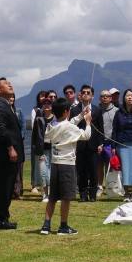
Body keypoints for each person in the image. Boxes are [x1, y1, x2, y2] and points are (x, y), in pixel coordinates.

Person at [39, 97, 91, 235]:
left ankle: (46, 226)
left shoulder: (52, 125)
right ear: (67, 111)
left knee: (52, 197)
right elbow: (86, 136)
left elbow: (68, 123)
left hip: (55, 164)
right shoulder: (69, 127)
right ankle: (63, 226)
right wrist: (88, 123)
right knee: (66, 198)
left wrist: (81, 114)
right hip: (67, 165)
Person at [0, 77, 23, 229]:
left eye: (10, 82)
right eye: (6, 84)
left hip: (10, 154)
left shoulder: (6, 105)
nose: (10, 84)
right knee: (4, 187)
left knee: (8, 187)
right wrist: (10, 148)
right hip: (4, 154)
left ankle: (3, 217)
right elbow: (0, 129)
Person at [95, 89, 118, 197]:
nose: (105, 98)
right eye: (102, 96)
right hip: (99, 142)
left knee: (110, 165)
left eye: (107, 96)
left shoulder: (116, 111)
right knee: (99, 165)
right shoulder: (96, 110)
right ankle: (99, 186)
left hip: (111, 142)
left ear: (111, 98)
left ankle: (110, 186)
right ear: (100, 98)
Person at [32, 99, 54, 203]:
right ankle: (45, 194)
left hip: (54, 149)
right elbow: (34, 136)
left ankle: (53, 194)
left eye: (49, 103)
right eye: (44, 104)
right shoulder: (38, 119)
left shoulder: (56, 119)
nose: (46, 105)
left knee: (53, 173)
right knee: (43, 172)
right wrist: (36, 150)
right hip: (42, 150)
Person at [29, 90, 48, 194]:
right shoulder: (35, 110)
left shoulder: (50, 109)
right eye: (41, 96)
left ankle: (44, 184)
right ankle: (34, 184)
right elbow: (33, 126)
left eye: (45, 96)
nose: (43, 98)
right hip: (37, 140)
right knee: (35, 162)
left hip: (48, 140)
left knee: (45, 164)